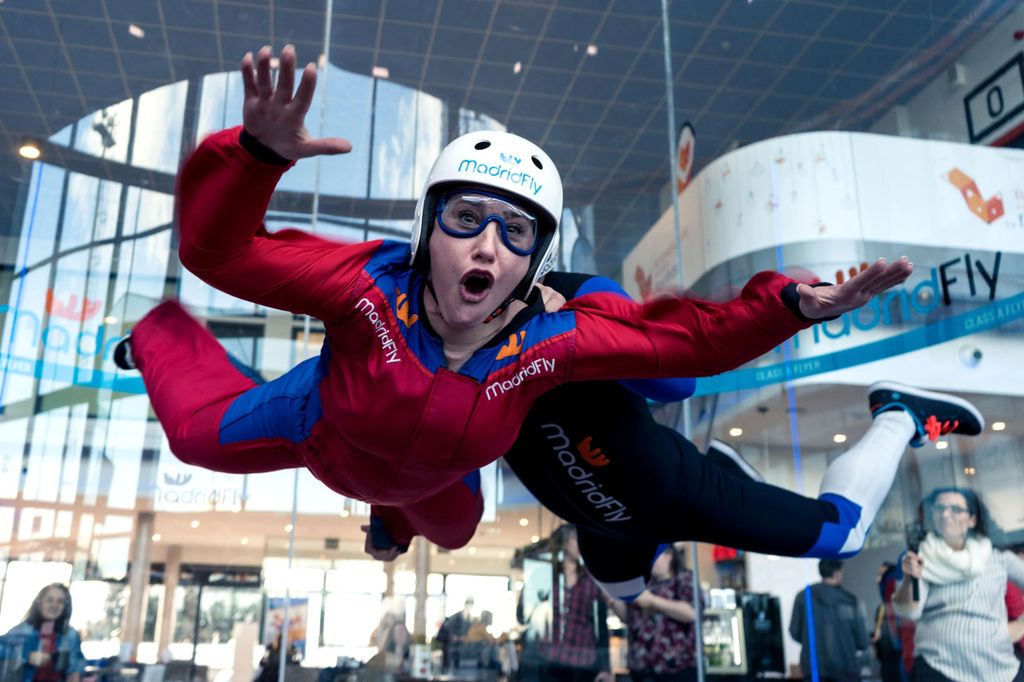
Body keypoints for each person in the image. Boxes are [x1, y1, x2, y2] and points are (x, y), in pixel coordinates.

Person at [115, 44, 957, 573]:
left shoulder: (556, 341)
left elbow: (688, 348)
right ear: (427, 230)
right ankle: (153, 333)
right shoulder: (367, 287)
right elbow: (221, 253)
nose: (486, 247)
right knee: (192, 436)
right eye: (465, 219)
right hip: (321, 427)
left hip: (430, 482)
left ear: (535, 262)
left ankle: (392, 514)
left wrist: (791, 307)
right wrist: (253, 156)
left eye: (514, 232)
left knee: (453, 531)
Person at [895, 487, 1024, 681]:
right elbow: (910, 612)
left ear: (972, 520)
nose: (946, 515)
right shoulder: (920, 557)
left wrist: (1021, 625)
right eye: (940, 509)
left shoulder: (997, 557)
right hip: (937, 669)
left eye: (955, 509)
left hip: (998, 669)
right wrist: (909, 579)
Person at [519, 525, 611, 682]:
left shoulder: (591, 579)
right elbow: (522, 616)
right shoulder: (544, 575)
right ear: (563, 542)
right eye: (575, 538)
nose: (581, 543)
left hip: (583, 662)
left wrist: (605, 666)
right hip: (548, 661)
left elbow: (601, 624)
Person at [608, 544, 699, 682]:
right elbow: (628, 618)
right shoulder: (641, 582)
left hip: (677, 669)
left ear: (669, 556)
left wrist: (653, 601)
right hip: (641, 669)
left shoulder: (684, 579)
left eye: (654, 556)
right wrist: (613, 601)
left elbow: (692, 613)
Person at [789, 559, 870, 682]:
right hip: (846, 670)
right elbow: (863, 641)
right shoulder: (851, 601)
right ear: (837, 573)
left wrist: (812, 641)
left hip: (814, 669)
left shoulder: (803, 596)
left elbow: (794, 632)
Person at [0, 584, 85, 682]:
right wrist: (27, 656)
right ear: (39, 604)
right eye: (49, 600)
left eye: (60, 601)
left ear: (65, 607)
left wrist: (76, 672)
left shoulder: (70, 635)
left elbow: (78, 659)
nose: (54, 605)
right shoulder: (23, 630)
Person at [872, 562, 911, 682]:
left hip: (899, 662)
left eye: (882, 575)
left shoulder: (897, 608)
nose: (877, 579)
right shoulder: (882, 609)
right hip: (889, 664)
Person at [435, 598, 474, 672]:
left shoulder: (471, 621)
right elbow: (439, 637)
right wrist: (452, 638)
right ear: (465, 605)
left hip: (465, 663)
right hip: (450, 661)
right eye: (469, 605)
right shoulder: (452, 619)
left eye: (471, 605)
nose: (469, 608)